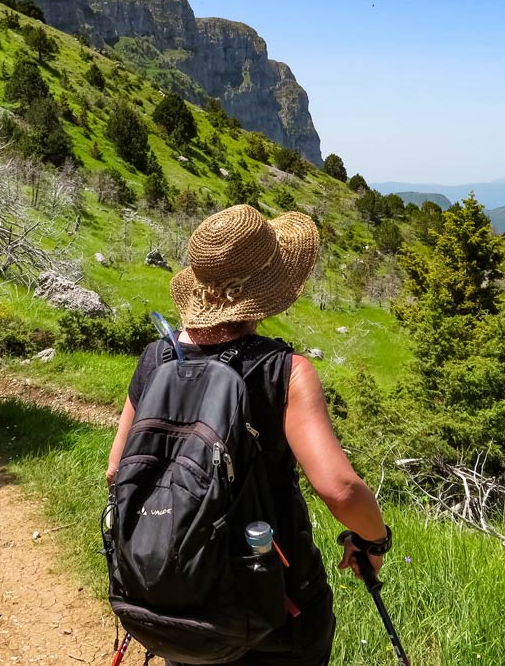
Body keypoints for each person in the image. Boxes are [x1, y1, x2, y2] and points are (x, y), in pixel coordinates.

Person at [107, 204, 390, 666]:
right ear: (266, 291)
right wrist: (373, 541)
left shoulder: (154, 361)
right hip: (276, 604)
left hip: (179, 596)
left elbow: (118, 471)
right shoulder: (285, 371)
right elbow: (339, 490)